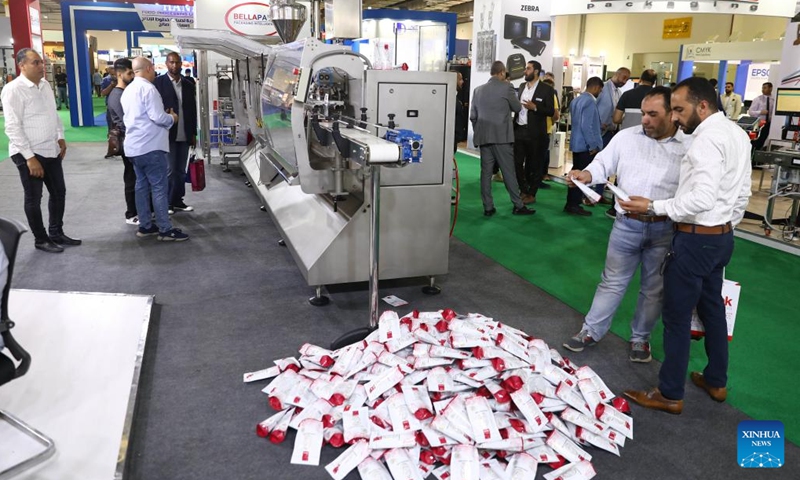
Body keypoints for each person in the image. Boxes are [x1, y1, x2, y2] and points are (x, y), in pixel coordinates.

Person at [620, 77, 752, 415]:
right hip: (721, 239)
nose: (675, 117)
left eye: (679, 109)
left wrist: (654, 206)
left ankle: (669, 393)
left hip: (695, 240)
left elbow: (701, 198)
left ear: (703, 105)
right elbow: (742, 194)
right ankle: (716, 380)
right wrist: (724, 227)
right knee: (712, 311)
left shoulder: (704, 142)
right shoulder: (737, 134)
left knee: (677, 318)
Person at [563, 87, 690, 362]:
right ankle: (590, 331)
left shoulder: (688, 147)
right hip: (626, 225)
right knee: (611, 282)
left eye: (652, 114)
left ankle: (640, 339)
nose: (644, 120)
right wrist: (586, 174)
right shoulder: (626, 137)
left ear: (672, 114)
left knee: (653, 289)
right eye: (643, 113)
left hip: (664, 229)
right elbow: (602, 164)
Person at [1, 49, 81, 253]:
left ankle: (56, 233)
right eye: (36, 63)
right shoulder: (13, 89)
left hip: (50, 149)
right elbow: (12, 127)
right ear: (22, 65)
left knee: (58, 193)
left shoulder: (45, 85)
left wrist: (60, 136)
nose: (41, 66)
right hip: (28, 153)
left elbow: (52, 114)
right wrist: (29, 158)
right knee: (34, 198)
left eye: (41, 62)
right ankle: (41, 239)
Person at [121, 57, 189, 242]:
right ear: (150, 68)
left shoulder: (128, 90)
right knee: (159, 188)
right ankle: (165, 229)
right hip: (151, 146)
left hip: (134, 148)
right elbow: (157, 117)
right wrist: (172, 118)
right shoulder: (149, 89)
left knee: (141, 186)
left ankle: (145, 225)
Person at [470, 61, 535, 217]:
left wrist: (480, 131)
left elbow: (473, 116)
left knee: (486, 174)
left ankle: (488, 207)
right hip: (502, 138)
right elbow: (518, 108)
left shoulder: (478, 90)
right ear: (501, 73)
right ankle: (518, 205)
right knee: (508, 173)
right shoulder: (507, 87)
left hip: (484, 138)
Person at [154, 52, 198, 214]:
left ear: (181, 64)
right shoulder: (158, 83)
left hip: (185, 134)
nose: (174, 65)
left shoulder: (188, 84)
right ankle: (167, 203)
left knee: (180, 171)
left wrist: (193, 133)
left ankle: (178, 200)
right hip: (167, 135)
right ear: (166, 64)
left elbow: (192, 111)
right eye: (171, 62)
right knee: (170, 170)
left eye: (177, 62)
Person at [513, 60, 556, 206]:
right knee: (517, 163)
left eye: (528, 69)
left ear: (536, 71)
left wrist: (535, 107)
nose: (525, 71)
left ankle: (532, 193)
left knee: (535, 165)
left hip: (536, 134)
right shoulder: (521, 87)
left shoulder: (547, 90)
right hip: (519, 130)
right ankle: (523, 190)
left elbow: (551, 111)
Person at [106, 58, 139, 226]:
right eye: (129, 73)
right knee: (131, 178)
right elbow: (126, 122)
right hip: (127, 142)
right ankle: (131, 213)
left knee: (136, 177)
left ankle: (139, 210)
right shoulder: (116, 96)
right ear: (119, 73)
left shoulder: (126, 92)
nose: (132, 76)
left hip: (133, 141)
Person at [565, 76, 604, 217]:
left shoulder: (576, 100)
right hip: (585, 146)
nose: (600, 93)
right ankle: (574, 204)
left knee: (575, 173)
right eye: (600, 89)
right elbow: (586, 126)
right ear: (595, 87)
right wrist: (592, 145)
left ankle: (572, 203)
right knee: (580, 176)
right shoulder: (589, 102)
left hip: (576, 143)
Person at [597, 67, 631, 147]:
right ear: (617, 74)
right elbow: (590, 108)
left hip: (612, 133)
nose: (624, 82)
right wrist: (598, 124)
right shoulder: (602, 88)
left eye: (627, 80)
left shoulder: (619, 93)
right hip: (599, 132)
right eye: (624, 78)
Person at [747, 82, 774, 152]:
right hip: (758, 125)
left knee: (764, 143)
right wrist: (760, 112)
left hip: (769, 125)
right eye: (762, 88)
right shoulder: (757, 99)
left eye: (765, 88)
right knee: (756, 143)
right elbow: (750, 112)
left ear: (770, 88)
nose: (763, 90)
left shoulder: (773, 100)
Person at [453, 71, 468, 153]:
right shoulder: (451, 98)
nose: (462, 82)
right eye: (460, 79)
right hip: (451, 135)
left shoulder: (456, 97)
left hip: (455, 136)